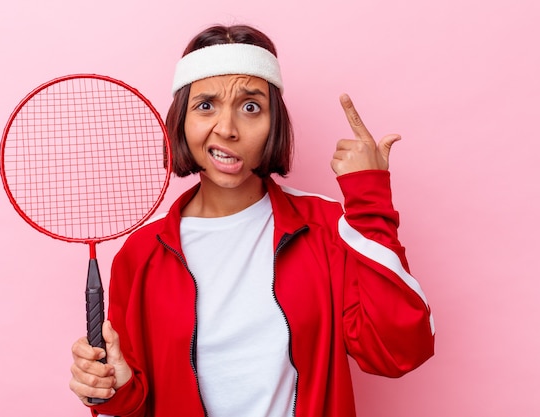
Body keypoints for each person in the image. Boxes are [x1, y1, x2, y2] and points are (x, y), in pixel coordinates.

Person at [69, 24, 435, 417]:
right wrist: (114, 390)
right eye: (205, 105)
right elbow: (134, 403)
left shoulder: (327, 227)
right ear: (181, 121)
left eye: (250, 107)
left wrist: (370, 198)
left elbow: (397, 352)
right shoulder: (141, 254)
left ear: (273, 123)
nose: (227, 129)